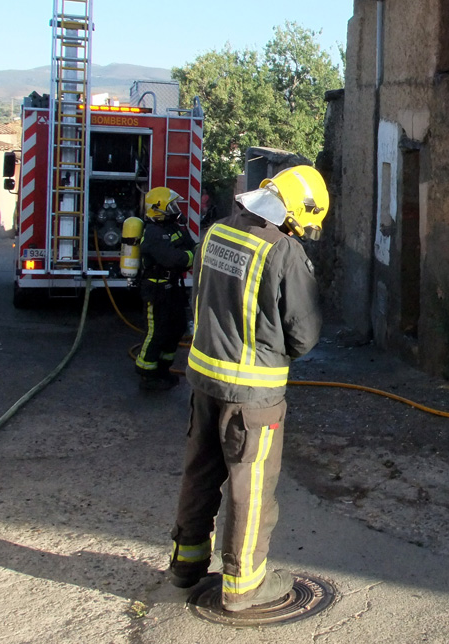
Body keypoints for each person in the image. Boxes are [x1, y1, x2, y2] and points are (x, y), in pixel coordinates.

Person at [167, 165, 327, 613]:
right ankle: (243, 587)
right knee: (251, 487)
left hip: (203, 381)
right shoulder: (283, 252)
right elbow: (305, 334)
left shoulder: (215, 233)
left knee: (200, 472)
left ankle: (186, 563)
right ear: (293, 212)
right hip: (252, 396)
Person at [134, 187, 195, 391]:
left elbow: (192, 247)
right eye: (172, 205)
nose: (175, 209)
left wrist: (187, 256)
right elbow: (173, 259)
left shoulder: (174, 228)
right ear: (158, 209)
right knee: (156, 332)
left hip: (173, 289)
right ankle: (146, 373)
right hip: (156, 290)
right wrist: (188, 257)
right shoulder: (153, 233)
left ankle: (162, 369)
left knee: (176, 328)